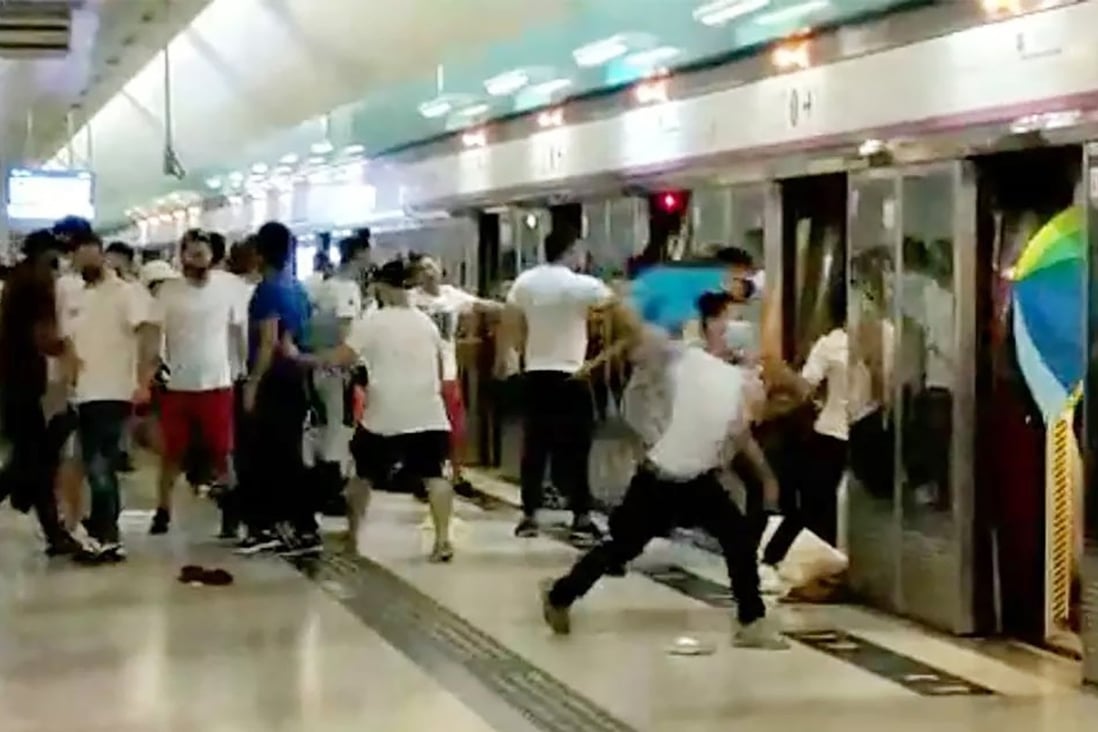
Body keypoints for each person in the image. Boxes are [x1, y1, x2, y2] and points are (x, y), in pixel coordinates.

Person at [539, 309, 787, 649]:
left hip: (697, 479)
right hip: (659, 478)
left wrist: (762, 474)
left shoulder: (737, 382)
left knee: (737, 539)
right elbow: (643, 340)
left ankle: (751, 619)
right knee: (622, 547)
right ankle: (560, 595)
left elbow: (737, 435)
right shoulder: (687, 360)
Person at [287, 258, 455, 562]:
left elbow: (342, 357)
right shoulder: (425, 323)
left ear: (382, 287)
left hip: (384, 414)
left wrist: (299, 357)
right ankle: (443, 541)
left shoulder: (373, 321)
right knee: (435, 476)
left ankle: (353, 538)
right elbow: (441, 369)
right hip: (428, 411)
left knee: (362, 476)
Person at [503, 229, 611, 545]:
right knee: (577, 448)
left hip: (536, 374)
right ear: (572, 250)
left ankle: (529, 515)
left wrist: (516, 356)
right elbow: (616, 305)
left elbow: (512, 322)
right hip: (571, 375)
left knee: (535, 447)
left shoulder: (525, 282)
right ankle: (581, 516)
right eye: (581, 251)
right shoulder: (582, 285)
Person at [68, 233, 160, 560]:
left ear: (102, 255)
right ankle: (102, 527)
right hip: (83, 392)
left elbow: (150, 332)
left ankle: (106, 534)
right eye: (79, 257)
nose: (85, 263)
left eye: (90, 256)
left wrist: (144, 380)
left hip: (113, 390)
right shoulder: (77, 294)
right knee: (95, 463)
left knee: (99, 463)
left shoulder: (126, 293)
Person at [148, 230, 246, 535]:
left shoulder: (229, 288)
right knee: (172, 452)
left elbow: (237, 332)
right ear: (182, 257)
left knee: (222, 450)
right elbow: (155, 332)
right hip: (177, 383)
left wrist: (241, 368)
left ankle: (232, 512)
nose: (197, 261)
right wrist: (153, 365)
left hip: (217, 381)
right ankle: (162, 510)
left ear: (212, 257)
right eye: (191, 255)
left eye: (202, 254)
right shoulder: (168, 292)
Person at [0, 231, 82, 557]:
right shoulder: (36, 283)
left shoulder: (18, 279)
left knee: (33, 461)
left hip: (14, 378)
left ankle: (53, 533)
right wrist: (70, 350)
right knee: (33, 460)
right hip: (25, 380)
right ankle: (51, 529)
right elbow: (43, 335)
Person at [239, 222, 318, 555]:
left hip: (273, 380)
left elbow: (269, 341)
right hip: (295, 379)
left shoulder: (267, 290)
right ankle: (298, 525)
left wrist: (253, 383)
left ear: (259, 253)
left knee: (268, 455)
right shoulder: (298, 289)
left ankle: (277, 525)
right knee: (288, 452)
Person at [411, 253, 500, 498]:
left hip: (448, 374)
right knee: (422, 429)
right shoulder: (411, 300)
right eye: (422, 268)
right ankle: (422, 475)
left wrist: (512, 305)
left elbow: (483, 305)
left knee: (455, 427)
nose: (428, 272)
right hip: (419, 374)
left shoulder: (452, 296)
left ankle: (457, 474)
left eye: (431, 266)